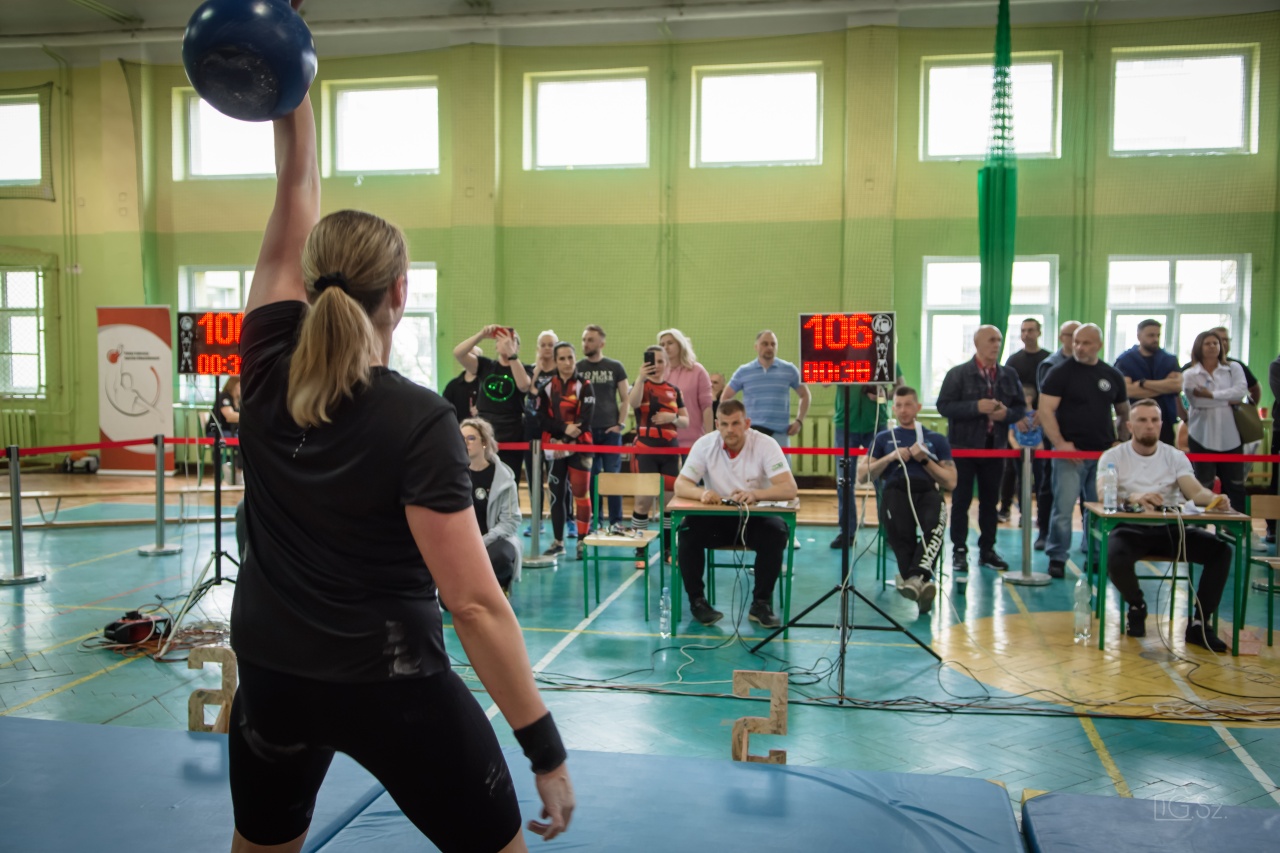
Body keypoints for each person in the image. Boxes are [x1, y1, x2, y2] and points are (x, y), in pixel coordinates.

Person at [230, 65, 572, 853]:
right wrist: (545, 749)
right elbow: (475, 604)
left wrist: (289, 83)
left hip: (272, 677)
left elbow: (293, 187)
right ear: (400, 292)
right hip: (392, 688)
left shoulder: (263, 363)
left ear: (308, 283)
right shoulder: (421, 419)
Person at [1096, 400, 1231, 652]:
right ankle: (1136, 605)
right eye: (1142, 420)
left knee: (1221, 551)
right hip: (1130, 528)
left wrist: (1215, 499)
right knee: (1114, 555)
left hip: (1171, 529)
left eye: (1154, 420)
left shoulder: (1175, 456)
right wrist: (1134, 497)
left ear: (1161, 424)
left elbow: (1194, 492)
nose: (1150, 425)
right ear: (1130, 426)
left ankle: (1200, 623)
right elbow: (1103, 494)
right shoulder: (1113, 456)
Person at [673, 400, 798, 628]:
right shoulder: (704, 445)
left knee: (777, 533)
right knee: (687, 531)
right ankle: (698, 603)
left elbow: (789, 488)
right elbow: (681, 485)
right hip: (717, 521)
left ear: (747, 423)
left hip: (754, 519)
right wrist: (702, 493)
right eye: (724, 424)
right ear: (717, 425)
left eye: (736, 423)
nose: (730, 430)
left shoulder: (766, 444)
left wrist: (756, 494)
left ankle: (761, 604)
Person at [1038, 323, 1131, 578]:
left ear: (1098, 345)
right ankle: (1057, 557)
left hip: (1102, 456)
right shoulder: (1059, 373)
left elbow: (1124, 412)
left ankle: (1097, 556)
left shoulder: (1111, 375)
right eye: (1076, 342)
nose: (1079, 347)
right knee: (1063, 508)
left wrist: (1120, 441)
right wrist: (1061, 444)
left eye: (1086, 343)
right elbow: (1045, 410)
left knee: (1098, 509)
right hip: (1069, 455)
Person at [935, 325, 1025, 572]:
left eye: (999, 340)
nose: (996, 344)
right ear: (977, 343)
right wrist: (976, 407)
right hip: (963, 449)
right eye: (991, 340)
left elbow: (1019, 409)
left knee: (990, 502)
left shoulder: (1009, 375)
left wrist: (1006, 414)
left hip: (995, 449)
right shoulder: (958, 374)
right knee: (961, 501)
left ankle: (988, 550)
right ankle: (959, 550)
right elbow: (944, 406)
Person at [866, 387, 956, 616]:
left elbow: (951, 481)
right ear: (893, 409)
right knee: (899, 533)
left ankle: (914, 581)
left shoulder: (935, 439)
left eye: (908, 405)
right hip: (896, 490)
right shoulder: (883, 438)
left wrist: (924, 459)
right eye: (898, 405)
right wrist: (890, 457)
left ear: (918, 407)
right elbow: (862, 475)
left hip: (927, 490)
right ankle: (921, 583)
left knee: (935, 526)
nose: (903, 410)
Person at [828, 366, 903, 550]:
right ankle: (847, 532)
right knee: (844, 481)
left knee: (883, 481)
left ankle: (889, 532)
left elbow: (900, 388)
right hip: (845, 424)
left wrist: (884, 394)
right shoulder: (841, 356)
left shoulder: (885, 355)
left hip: (877, 424)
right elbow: (824, 383)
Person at [537, 342, 595, 561]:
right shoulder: (546, 387)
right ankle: (558, 542)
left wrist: (567, 440)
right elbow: (542, 418)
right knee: (556, 495)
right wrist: (561, 433)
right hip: (555, 448)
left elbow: (586, 419)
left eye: (570, 357)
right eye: (562, 358)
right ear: (555, 361)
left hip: (581, 447)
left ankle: (582, 541)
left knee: (581, 493)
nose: (567, 362)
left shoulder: (585, 386)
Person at [453, 326, 532, 486]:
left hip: (511, 431)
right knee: (482, 478)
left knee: (509, 480)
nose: (505, 342)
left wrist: (511, 355)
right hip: (486, 430)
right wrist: (481, 335)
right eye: (500, 339)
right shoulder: (486, 365)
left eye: (511, 340)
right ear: (496, 345)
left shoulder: (525, 369)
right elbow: (458, 353)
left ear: (517, 347)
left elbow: (524, 385)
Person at [627, 345, 688, 549]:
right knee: (642, 502)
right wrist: (641, 377)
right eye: (653, 361)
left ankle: (669, 548)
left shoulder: (674, 390)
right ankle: (640, 550)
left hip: (670, 452)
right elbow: (633, 403)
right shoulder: (640, 385)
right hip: (645, 451)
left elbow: (686, 421)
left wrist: (673, 417)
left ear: (667, 364)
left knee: (669, 504)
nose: (657, 365)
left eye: (661, 361)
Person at [1183, 329, 1247, 516]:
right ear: (1199, 347)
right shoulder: (1190, 373)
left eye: (1215, 343)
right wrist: (1227, 399)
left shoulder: (1233, 368)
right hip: (1201, 435)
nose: (1212, 346)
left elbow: (1240, 393)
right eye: (1207, 343)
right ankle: (1198, 526)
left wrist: (1210, 395)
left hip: (1231, 437)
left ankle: (1238, 526)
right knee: (1202, 484)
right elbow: (1196, 402)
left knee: (1235, 485)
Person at [460, 417, 522, 595]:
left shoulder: (504, 478)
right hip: (462, 542)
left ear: (484, 442)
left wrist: (482, 541)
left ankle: (500, 589)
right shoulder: (454, 476)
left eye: (471, 438)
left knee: (499, 557)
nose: (465, 443)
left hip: (495, 540)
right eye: (461, 438)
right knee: (446, 602)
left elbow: (510, 521)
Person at [577, 325, 629, 531]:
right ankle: (595, 520)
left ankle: (616, 521)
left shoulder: (615, 367)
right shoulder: (578, 368)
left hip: (610, 433)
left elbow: (625, 398)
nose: (585, 344)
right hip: (587, 433)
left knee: (613, 477)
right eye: (584, 340)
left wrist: (620, 425)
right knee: (592, 478)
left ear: (602, 343)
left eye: (590, 340)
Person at [722, 330, 811, 448]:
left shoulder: (789, 370)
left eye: (773, 344)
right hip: (751, 433)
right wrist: (733, 423)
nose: (769, 347)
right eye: (765, 344)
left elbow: (805, 395)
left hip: (779, 434)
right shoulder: (744, 371)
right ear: (756, 347)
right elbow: (726, 397)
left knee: (782, 461)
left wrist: (799, 421)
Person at [999, 319, 1050, 521]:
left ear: (1039, 332)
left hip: (1041, 421)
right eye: (1023, 330)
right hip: (1017, 421)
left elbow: (1052, 390)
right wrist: (1017, 415)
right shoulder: (1013, 360)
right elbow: (1006, 392)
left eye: (1030, 330)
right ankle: (1005, 508)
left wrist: (1042, 413)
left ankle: (1040, 513)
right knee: (1010, 470)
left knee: (1042, 471)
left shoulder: (1048, 359)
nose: (1026, 334)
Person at [1114, 319, 1181, 446]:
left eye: (1158, 335)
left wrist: (1143, 383)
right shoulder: (1125, 360)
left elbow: (1177, 386)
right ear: (1139, 336)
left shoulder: (1169, 360)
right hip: (1135, 419)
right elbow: (1127, 390)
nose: (1155, 339)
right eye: (1151, 335)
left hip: (1164, 420)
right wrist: (1164, 387)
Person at [1007, 383, 1050, 544]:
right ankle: (1023, 514)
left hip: (1038, 453)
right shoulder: (1015, 417)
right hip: (1020, 453)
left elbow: (1046, 431)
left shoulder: (1038, 416)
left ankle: (1040, 515)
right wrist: (1016, 447)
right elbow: (1011, 434)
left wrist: (1041, 445)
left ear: (1029, 398)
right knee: (1021, 483)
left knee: (1040, 483)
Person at [658, 329, 714, 448]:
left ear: (680, 345)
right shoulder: (658, 373)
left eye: (670, 343)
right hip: (663, 442)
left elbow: (707, 408)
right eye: (662, 345)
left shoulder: (697, 371)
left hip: (693, 442)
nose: (666, 347)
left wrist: (709, 438)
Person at [441, 346, 482, 423]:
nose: (469, 359)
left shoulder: (485, 384)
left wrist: (482, 410)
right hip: (458, 427)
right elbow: (445, 409)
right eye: (467, 355)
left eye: (473, 355)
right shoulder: (453, 385)